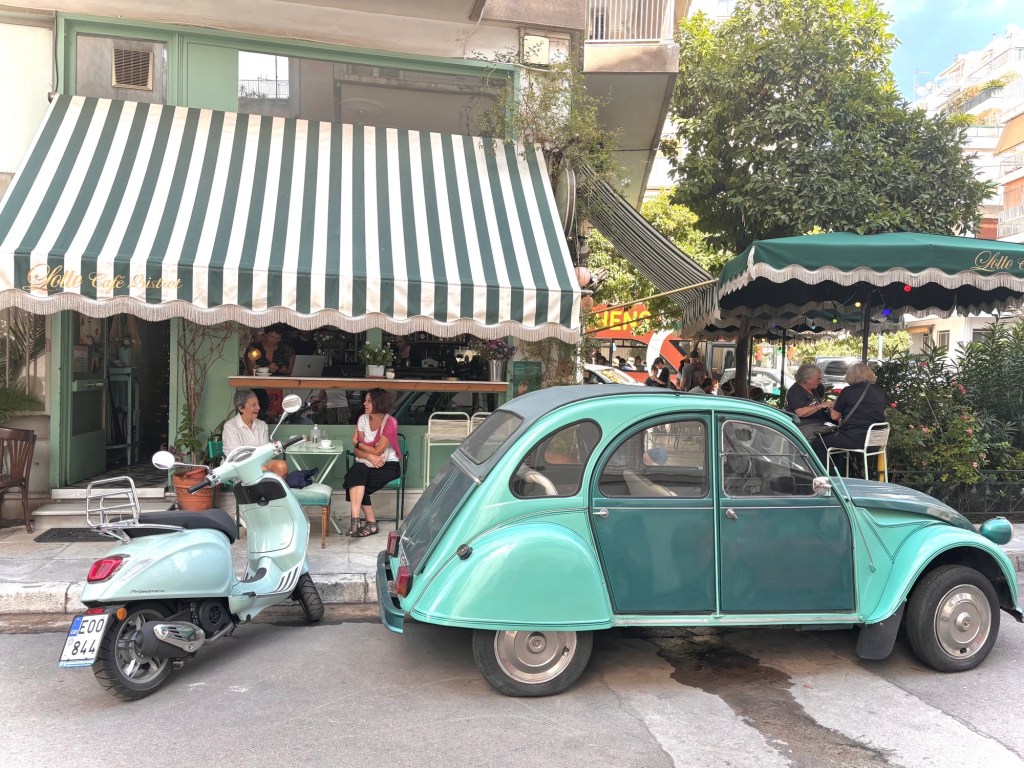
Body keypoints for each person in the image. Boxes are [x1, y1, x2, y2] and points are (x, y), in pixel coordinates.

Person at [343, 388, 401, 537]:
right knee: (356, 476)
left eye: (368, 401)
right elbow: (359, 452)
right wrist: (368, 456)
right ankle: (358, 521)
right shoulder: (362, 419)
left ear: (378, 403)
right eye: (365, 400)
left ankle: (368, 523)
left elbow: (378, 451)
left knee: (353, 481)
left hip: (387, 466)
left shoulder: (390, 422)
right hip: (366, 462)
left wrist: (357, 443)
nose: (364, 403)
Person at [815, 362, 888, 468]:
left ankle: (831, 475)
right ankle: (840, 473)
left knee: (818, 443)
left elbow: (834, 416)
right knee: (834, 442)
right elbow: (883, 413)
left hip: (855, 439)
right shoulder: (880, 391)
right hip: (875, 441)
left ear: (850, 376)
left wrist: (833, 407)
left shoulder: (848, 391)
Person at [221, 389, 288, 479]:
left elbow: (265, 452)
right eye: (254, 405)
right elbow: (238, 456)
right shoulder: (230, 426)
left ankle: (272, 487)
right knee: (262, 469)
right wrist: (258, 463)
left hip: (261, 462)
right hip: (237, 466)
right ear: (241, 408)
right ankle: (267, 488)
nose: (258, 407)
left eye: (258, 404)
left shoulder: (262, 425)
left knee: (281, 466)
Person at [245, 324, 294, 420]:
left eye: (278, 338)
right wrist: (267, 369)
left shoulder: (286, 349)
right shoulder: (254, 348)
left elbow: (291, 370)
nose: (274, 340)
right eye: (272, 337)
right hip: (258, 387)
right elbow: (250, 369)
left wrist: (284, 370)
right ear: (265, 335)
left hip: (280, 386)